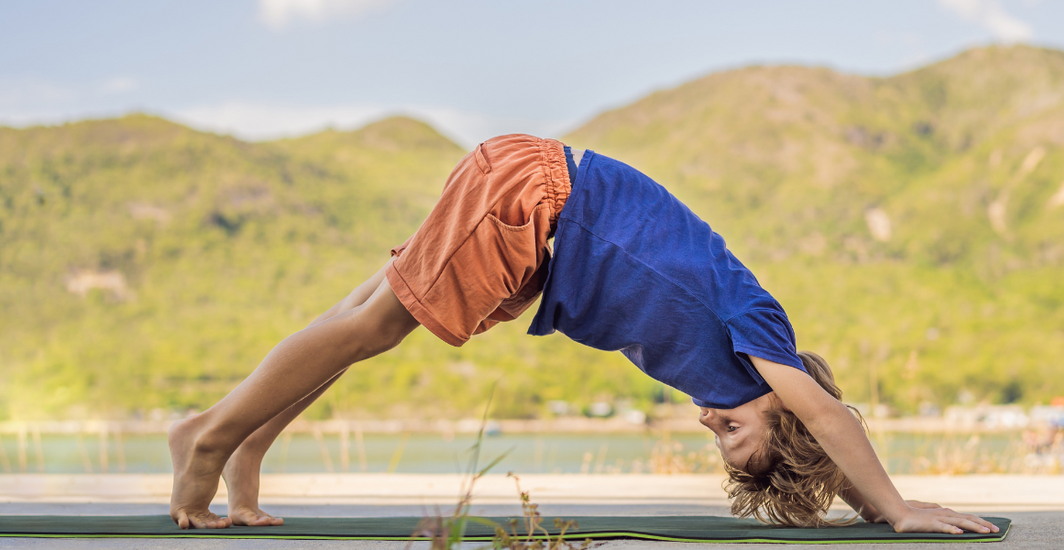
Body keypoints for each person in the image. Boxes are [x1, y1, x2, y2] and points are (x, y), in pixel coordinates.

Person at [168, 135, 998, 535]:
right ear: (779, 406)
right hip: (542, 200)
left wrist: (857, 504)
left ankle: (245, 443)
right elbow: (827, 420)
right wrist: (895, 510)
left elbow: (813, 444)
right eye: (736, 430)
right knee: (374, 327)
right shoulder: (761, 338)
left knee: (366, 320)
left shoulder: (735, 380)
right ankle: (208, 440)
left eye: (720, 442)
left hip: (542, 229)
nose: (714, 425)